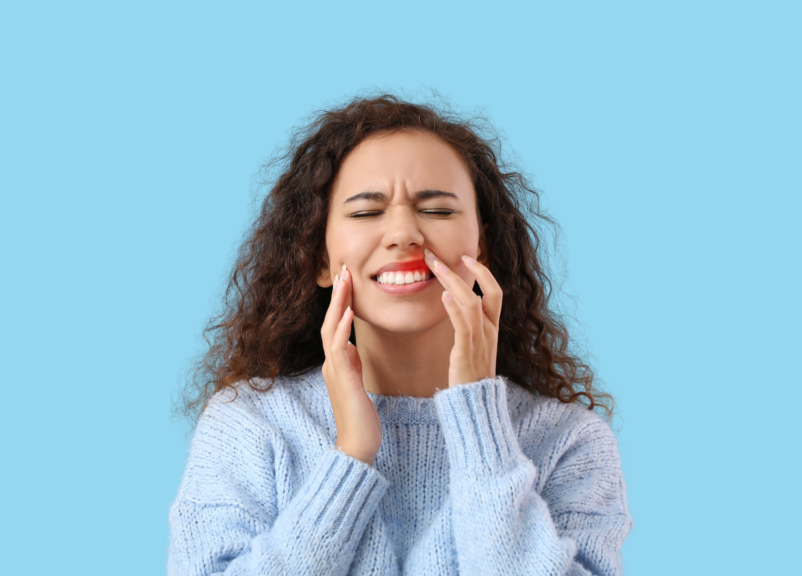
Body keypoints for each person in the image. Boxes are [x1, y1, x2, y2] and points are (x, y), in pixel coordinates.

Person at [168, 94, 632, 575]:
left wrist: (480, 422)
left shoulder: (569, 442)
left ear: (483, 247)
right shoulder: (248, 426)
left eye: (438, 211)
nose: (404, 234)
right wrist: (350, 457)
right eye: (366, 213)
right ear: (319, 258)